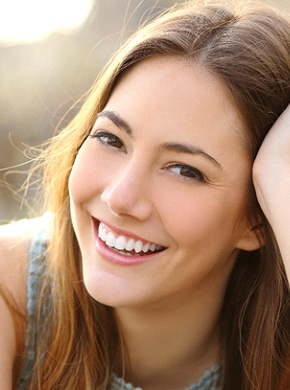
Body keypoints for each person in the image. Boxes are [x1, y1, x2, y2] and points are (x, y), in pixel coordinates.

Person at [0, 0, 290, 389]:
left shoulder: (276, 353)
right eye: (110, 138)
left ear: (259, 217)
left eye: (185, 170)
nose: (121, 197)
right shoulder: (9, 292)